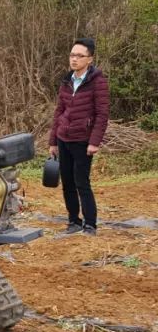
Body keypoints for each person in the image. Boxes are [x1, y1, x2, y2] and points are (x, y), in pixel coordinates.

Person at [49, 38, 109, 236]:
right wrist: (53, 141)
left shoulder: (97, 82)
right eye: (72, 55)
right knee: (67, 182)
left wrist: (94, 142)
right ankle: (74, 221)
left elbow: (102, 114)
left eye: (79, 56)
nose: (74, 59)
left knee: (81, 181)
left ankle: (90, 224)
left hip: (83, 140)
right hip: (63, 137)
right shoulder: (67, 80)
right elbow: (59, 111)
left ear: (89, 59)